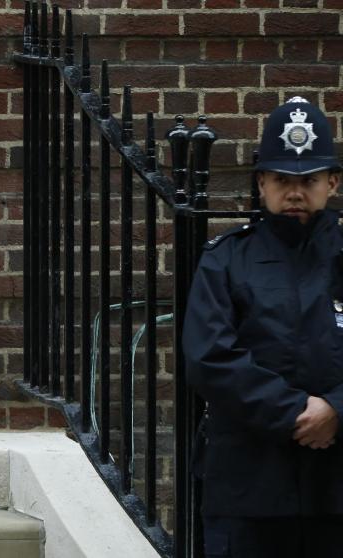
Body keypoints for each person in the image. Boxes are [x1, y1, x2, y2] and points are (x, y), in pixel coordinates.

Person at [184, 97, 343, 558]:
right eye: (281, 180)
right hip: (249, 486)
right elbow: (209, 357)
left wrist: (336, 407)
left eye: (308, 180)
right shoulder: (227, 260)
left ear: (331, 182)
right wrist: (297, 412)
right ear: (261, 184)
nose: (294, 192)